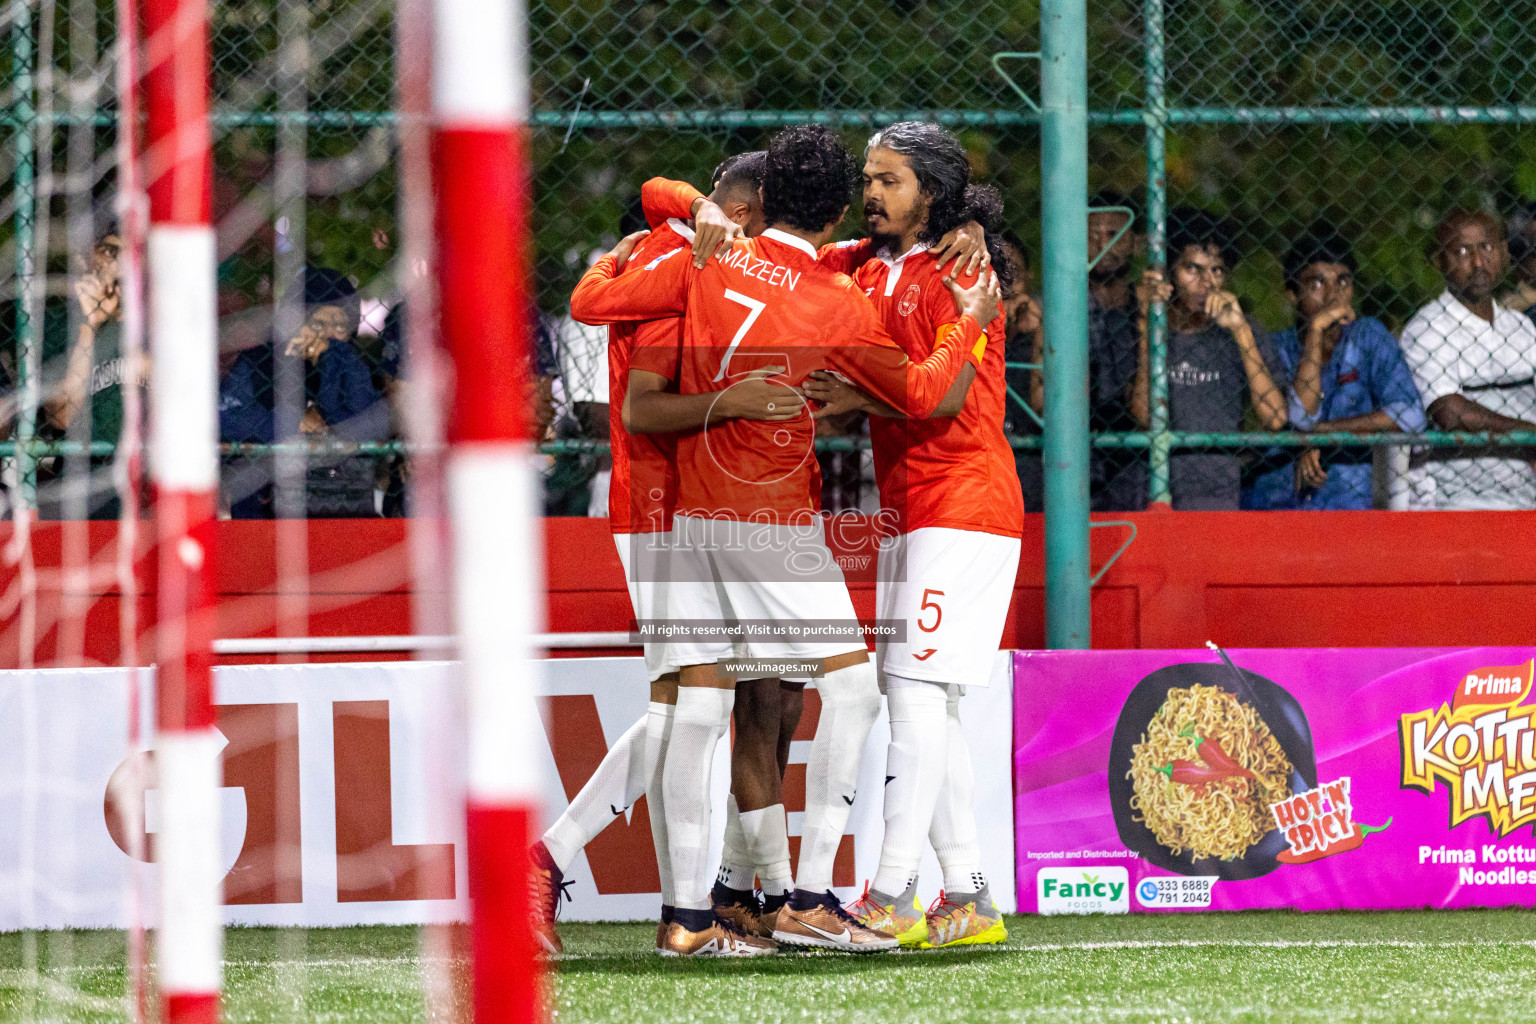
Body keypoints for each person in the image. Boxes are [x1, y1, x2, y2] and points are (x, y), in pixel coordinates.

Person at [571, 123, 1000, 955]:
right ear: (839, 209)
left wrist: (697, 211)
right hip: (766, 519)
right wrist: (971, 324)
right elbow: (922, 391)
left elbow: (615, 269)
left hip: (685, 516)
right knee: (854, 693)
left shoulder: (705, 254)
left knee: (702, 711)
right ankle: (808, 894)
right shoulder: (836, 300)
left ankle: (696, 917)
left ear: (756, 200)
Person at [530, 153, 791, 958]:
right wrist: (738, 403)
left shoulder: (669, 247)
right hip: (662, 511)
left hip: (686, 511)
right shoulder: (687, 271)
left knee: (681, 706)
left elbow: (651, 195)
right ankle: (686, 918)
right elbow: (640, 401)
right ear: (744, 218)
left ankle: (550, 862)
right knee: (702, 707)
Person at [798, 121, 1015, 949]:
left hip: (964, 501)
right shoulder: (869, 265)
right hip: (916, 507)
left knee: (917, 696)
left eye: (888, 180)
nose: (871, 191)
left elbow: (947, 400)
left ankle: (892, 895)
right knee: (927, 700)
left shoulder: (961, 270)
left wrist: (854, 402)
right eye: (867, 178)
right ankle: (967, 896)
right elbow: (785, 254)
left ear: (930, 190)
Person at [1244, 225, 1425, 509]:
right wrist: (1315, 332)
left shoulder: (1367, 337)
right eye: (1317, 284)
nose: (1332, 296)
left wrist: (1326, 432)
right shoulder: (1273, 347)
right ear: (1292, 293)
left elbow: (1410, 414)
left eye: (1342, 283)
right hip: (1277, 504)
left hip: (1350, 504)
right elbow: (1298, 417)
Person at [1132, 207, 1288, 509]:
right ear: (1169, 273)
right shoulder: (1147, 327)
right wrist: (1145, 326)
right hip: (1153, 492)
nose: (1206, 282)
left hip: (1218, 494)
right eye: (1192, 269)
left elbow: (1276, 418)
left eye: (1216, 271)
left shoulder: (1243, 330)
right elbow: (1143, 414)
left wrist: (1241, 332)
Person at [218, 267, 389, 518]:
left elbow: (363, 414)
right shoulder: (260, 361)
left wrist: (333, 356)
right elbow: (227, 418)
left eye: (339, 325)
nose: (329, 333)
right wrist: (294, 422)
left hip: (338, 503)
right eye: (319, 323)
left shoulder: (348, 364)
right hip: (265, 507)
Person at [1399, 209, 1536, 510]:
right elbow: (1449, 412)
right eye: (1461, 251)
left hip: (1525, 500)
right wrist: (1530, 435)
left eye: (1486, 248)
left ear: (1502, 252)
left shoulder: (1521, 328)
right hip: (1455, 503)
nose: (1477, 263)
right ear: (1439, 261)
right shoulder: (1427, 329)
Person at [37, 231, 145, 519]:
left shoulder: (154, 323)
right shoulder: (57, 324)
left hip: (148, 473)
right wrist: (89, 325)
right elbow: (62, 415)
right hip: (83, 475)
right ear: (85, 256)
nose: (120, 261)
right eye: (110, 251)